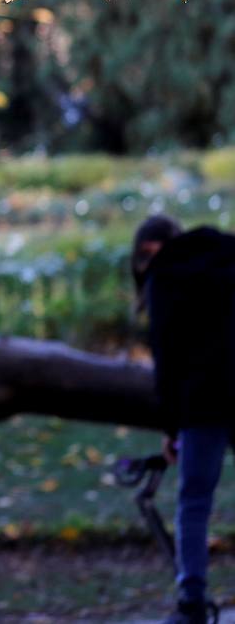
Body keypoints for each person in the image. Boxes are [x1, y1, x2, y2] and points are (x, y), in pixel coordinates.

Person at [133, 213, 235, 624]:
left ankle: (192, 601)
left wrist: (171, 429)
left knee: (194, 502)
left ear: (147, 251)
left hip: (202, 402)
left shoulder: (166, 278)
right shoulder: (230, 254)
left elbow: (167, 362)